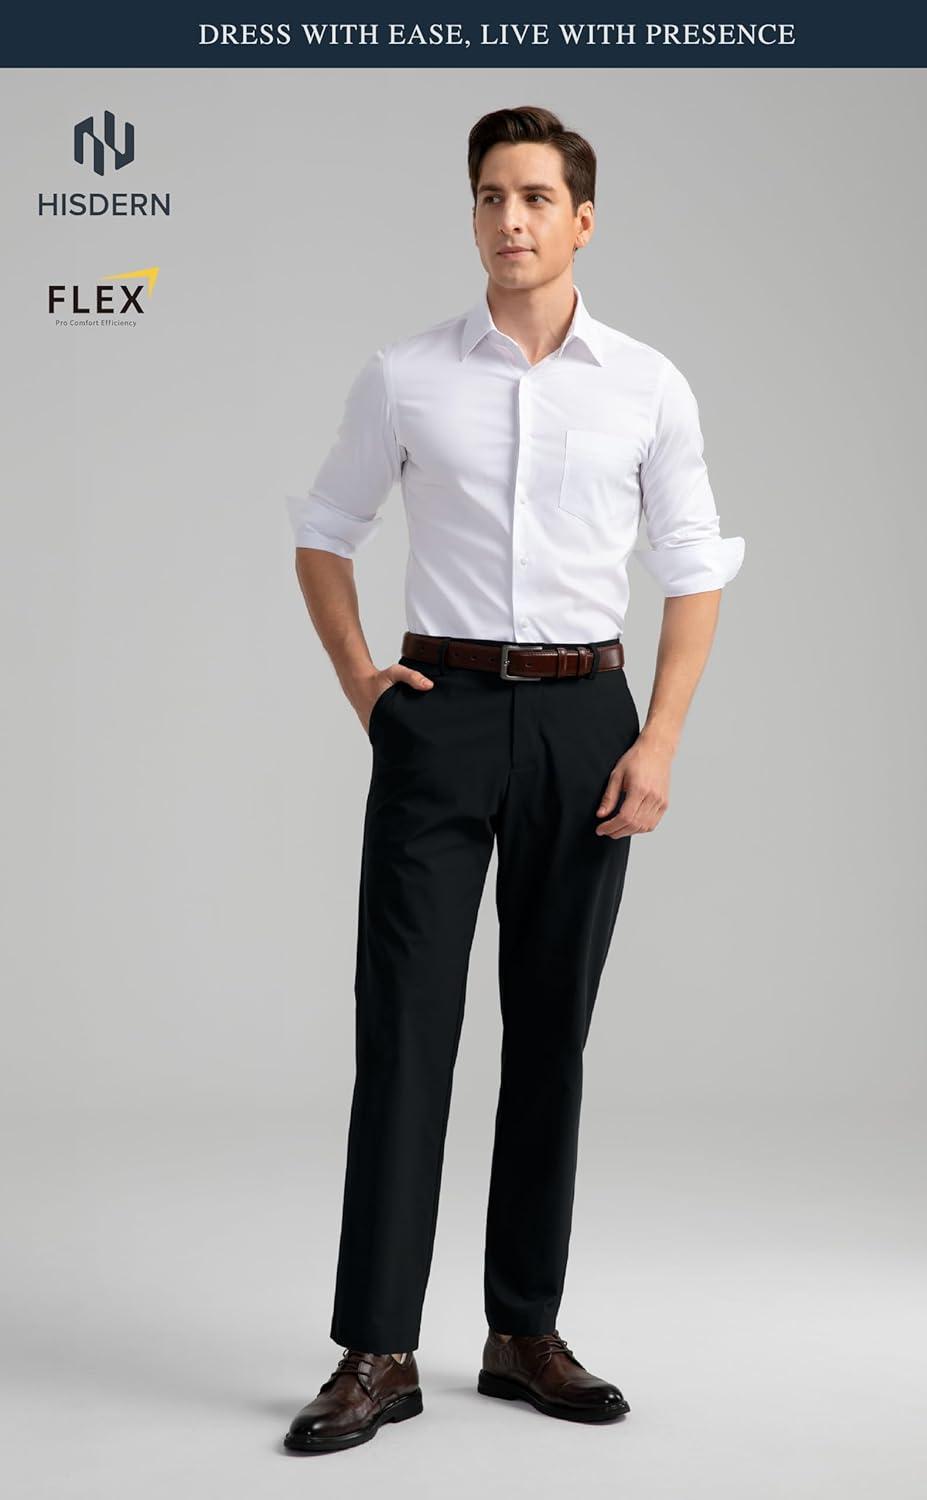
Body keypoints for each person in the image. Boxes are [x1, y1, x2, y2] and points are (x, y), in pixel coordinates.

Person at [281, 104, 745, 1455]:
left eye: (537, 197)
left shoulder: (647, 386)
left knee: (551, 1033)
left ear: (582, 220)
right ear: (473, 213)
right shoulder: (406, 377)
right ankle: (378, 1349)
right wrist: (365, 684)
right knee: (405, 1030)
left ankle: (521, 1332)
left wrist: (658, 740)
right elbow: (324, 532)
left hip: (587, 720)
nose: (511, 220)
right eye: (491, 196)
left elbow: (694, 568)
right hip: (439, 716)